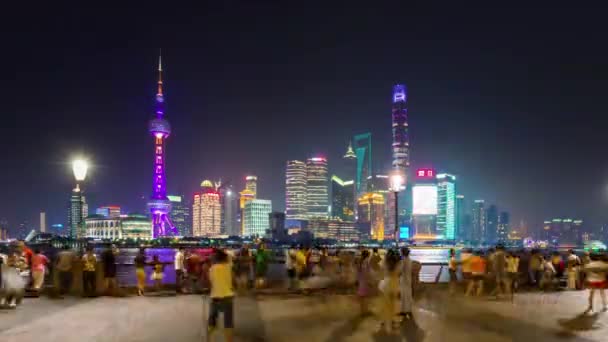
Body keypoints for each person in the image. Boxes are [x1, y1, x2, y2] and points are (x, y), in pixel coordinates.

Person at [208, 249, 235, 342]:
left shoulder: (212, 269)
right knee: (228, 322)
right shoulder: (229, 267)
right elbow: (232, 279)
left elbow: (211, 282)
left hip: (215, 297)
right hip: (228, 296)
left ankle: (211, 339)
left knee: (212, 320)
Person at [379, 249, 400, 332]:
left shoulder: (384, 263)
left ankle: (383, 320)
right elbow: (398, 274)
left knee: (385, 304)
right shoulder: (397, 264)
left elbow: (381, 272)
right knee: (392, 304)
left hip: (385, 284)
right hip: (393, 284)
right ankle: (392, 320)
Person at [356, 250, 373, 316]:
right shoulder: (366, 261)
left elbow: (358, 272)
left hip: (361, 281)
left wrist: (358, 280)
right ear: (367, 255)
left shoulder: (360, 261)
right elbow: (367, 272)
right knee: (365, 297)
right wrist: (369, 281)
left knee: (362, 297)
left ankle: (362, 311)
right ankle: (365, 311)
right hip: (365, 281)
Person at [399, 247, 414, 319]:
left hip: (404, 280)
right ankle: (408, 310)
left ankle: (405, 311)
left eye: (401, 251)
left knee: (404, 296)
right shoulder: (409, 260)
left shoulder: (403, 260)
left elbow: (400, 270)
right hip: (408, 279)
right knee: (408, 295)